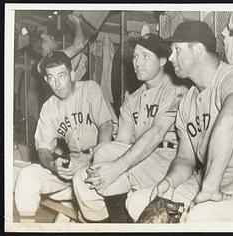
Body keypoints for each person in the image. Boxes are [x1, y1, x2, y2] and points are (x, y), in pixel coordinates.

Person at [126, 21, 233, 222]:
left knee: (200, 216)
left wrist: (209, 188)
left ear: (198, 49)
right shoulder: (188, 101)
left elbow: (229, 118)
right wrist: (169, 181)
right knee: (137, 202)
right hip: (208, 179)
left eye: (177, 50)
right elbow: (185, 160)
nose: (171, 57)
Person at [73, 33, 191, 223]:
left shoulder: (176, 89)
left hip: (169, 162)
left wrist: (114, 167)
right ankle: (114, 224)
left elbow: (156, 133)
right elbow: (121, 142)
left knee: (104, 152)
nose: (137, 62)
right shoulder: (132, 99)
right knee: (82, 180)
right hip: (137, 162)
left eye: (145, 56)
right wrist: (107, 168)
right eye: (135, 56)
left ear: (162, 60)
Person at [15, 51, 116, 222]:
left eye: (61, 76)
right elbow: (43, 150)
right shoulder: (49, 108)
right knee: (27, 175)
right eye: (51, 78)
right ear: (46, 80)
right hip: (74, 164)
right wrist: (54, 165)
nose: (57, 84)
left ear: (72, 74)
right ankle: (26, 228)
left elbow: (106, 126)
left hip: (100, 161)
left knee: (83, 197)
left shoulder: (90, 89)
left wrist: (98, 164)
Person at [30, 13, 89, 105]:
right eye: (50, 37)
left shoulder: (45, 62)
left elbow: (80, 46)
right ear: (44, 44)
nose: (53, 37)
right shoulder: (50, 59)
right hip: (60, 107)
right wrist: (76, 22)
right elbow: (79, 45)